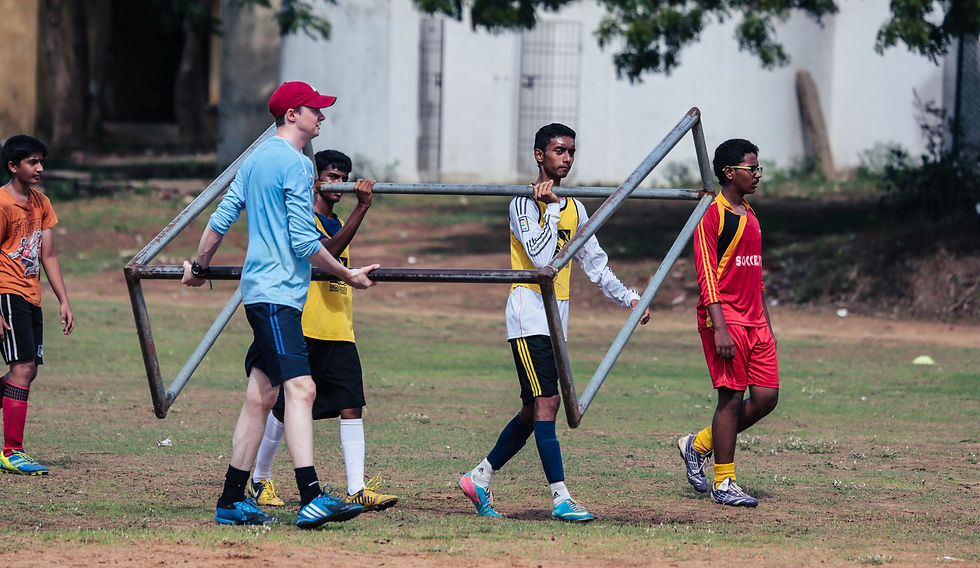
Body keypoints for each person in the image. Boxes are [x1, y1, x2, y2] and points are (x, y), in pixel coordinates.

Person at [182, 82, 379, 528]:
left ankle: (232, 499)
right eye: (314, 110)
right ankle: (311, 495)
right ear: (292, 114)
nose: (321, 118)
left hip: (268, 294)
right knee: (302, 390)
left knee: (261, 396)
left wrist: (199, 264)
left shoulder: (254, 161)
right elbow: (304, 239)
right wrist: (347, 273)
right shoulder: (293, 163)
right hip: (275, 297)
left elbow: (222, 216)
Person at [458, 123, 650, 522]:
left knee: (534, 409)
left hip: (556, 318)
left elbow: (595, 265)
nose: (566, 158)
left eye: (571, 152)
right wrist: (551, 209)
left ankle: (479, 477)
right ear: (539, 155)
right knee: (548, 402)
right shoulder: (522, 204)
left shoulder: (575, 207)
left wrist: (630, 297)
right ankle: (561, 497)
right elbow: (542, 259)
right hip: (529, 316)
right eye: (559, 150)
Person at [246, 149, 397, 512]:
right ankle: (260, 479)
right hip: (305, 324)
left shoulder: (337, 220)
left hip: (340, 327)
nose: (339, 183)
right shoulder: (304, 221)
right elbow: (328, 253)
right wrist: (362, 209)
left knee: (352, 404)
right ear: (314, 179)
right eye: (331, 175)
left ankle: (357, 487)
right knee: (284, 407)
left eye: (343, 176)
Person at [677, 138, 779, 507]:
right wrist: (719, 326)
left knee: (767, 398)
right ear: (728, 172)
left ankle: (698, 443)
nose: (757, 174)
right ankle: (724, 482)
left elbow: (757, 276)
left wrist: (767, 323)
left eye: (758, 167)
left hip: (755, 323)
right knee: (731, 399)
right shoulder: (712, 214)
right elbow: (706, 274)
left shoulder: (750, 214)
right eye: (751, 168)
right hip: (725, 319)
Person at [0, 135, 74, 476]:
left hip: (31, 296)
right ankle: (12, 451)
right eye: (32, 162)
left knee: (28, 370)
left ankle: (12, 449)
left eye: (41, 161)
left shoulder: (41, 203)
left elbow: (49, 254)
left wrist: (63, 300)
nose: (40, 168)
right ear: (13, 166)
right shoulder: (2, 203)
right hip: (6, 293)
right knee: (23, 368)